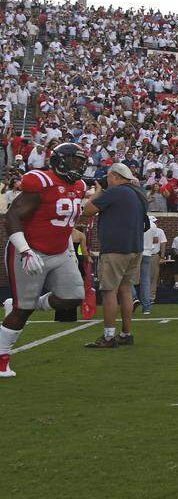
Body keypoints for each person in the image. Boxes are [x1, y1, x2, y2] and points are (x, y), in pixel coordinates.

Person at [1, 144, 89, 377]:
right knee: (22, 311)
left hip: (61, 251)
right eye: (75, 161)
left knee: (73, 297)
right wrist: (25, 251)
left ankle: (30, 304)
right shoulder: (40, 181)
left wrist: (69, 248)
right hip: (31, 250)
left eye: (81, 162)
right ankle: (1, 358)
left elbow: (65, 224)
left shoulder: (79, 186)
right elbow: (12, 217)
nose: (79, 166)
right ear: (60, 161)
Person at [82, 162, 150, 348]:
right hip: (135, 248)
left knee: (109, 291)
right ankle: (126, 333)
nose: (107, 180)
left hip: (114, 249)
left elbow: (87, 211)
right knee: (126, 291)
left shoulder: (114, 192)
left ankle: (109, 336)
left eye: (109, 176)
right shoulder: (139, 193)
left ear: (116, 177)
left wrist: (97, 192)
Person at [136, 215, 166, 314]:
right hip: (148, 253)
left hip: (138, 252)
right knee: (146, 280)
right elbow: (156, 240)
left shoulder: (136, 221)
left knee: (127, 278)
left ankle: (134, 297)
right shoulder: (153, 225)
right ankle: (146, 307)